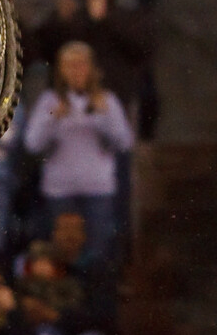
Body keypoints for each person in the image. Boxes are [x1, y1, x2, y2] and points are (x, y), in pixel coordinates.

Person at [20, 42, 134, 261]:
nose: (76, 71)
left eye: (81, 65)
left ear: (91, 68)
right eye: (70, 66)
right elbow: (32, 144)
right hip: (59, 189)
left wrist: (103, 117)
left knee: (98, 253)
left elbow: (124, 143)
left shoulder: (106, 100)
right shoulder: (50, 102)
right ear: (61, 70)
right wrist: (52, 118)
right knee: (61, 253)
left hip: (97, 189)